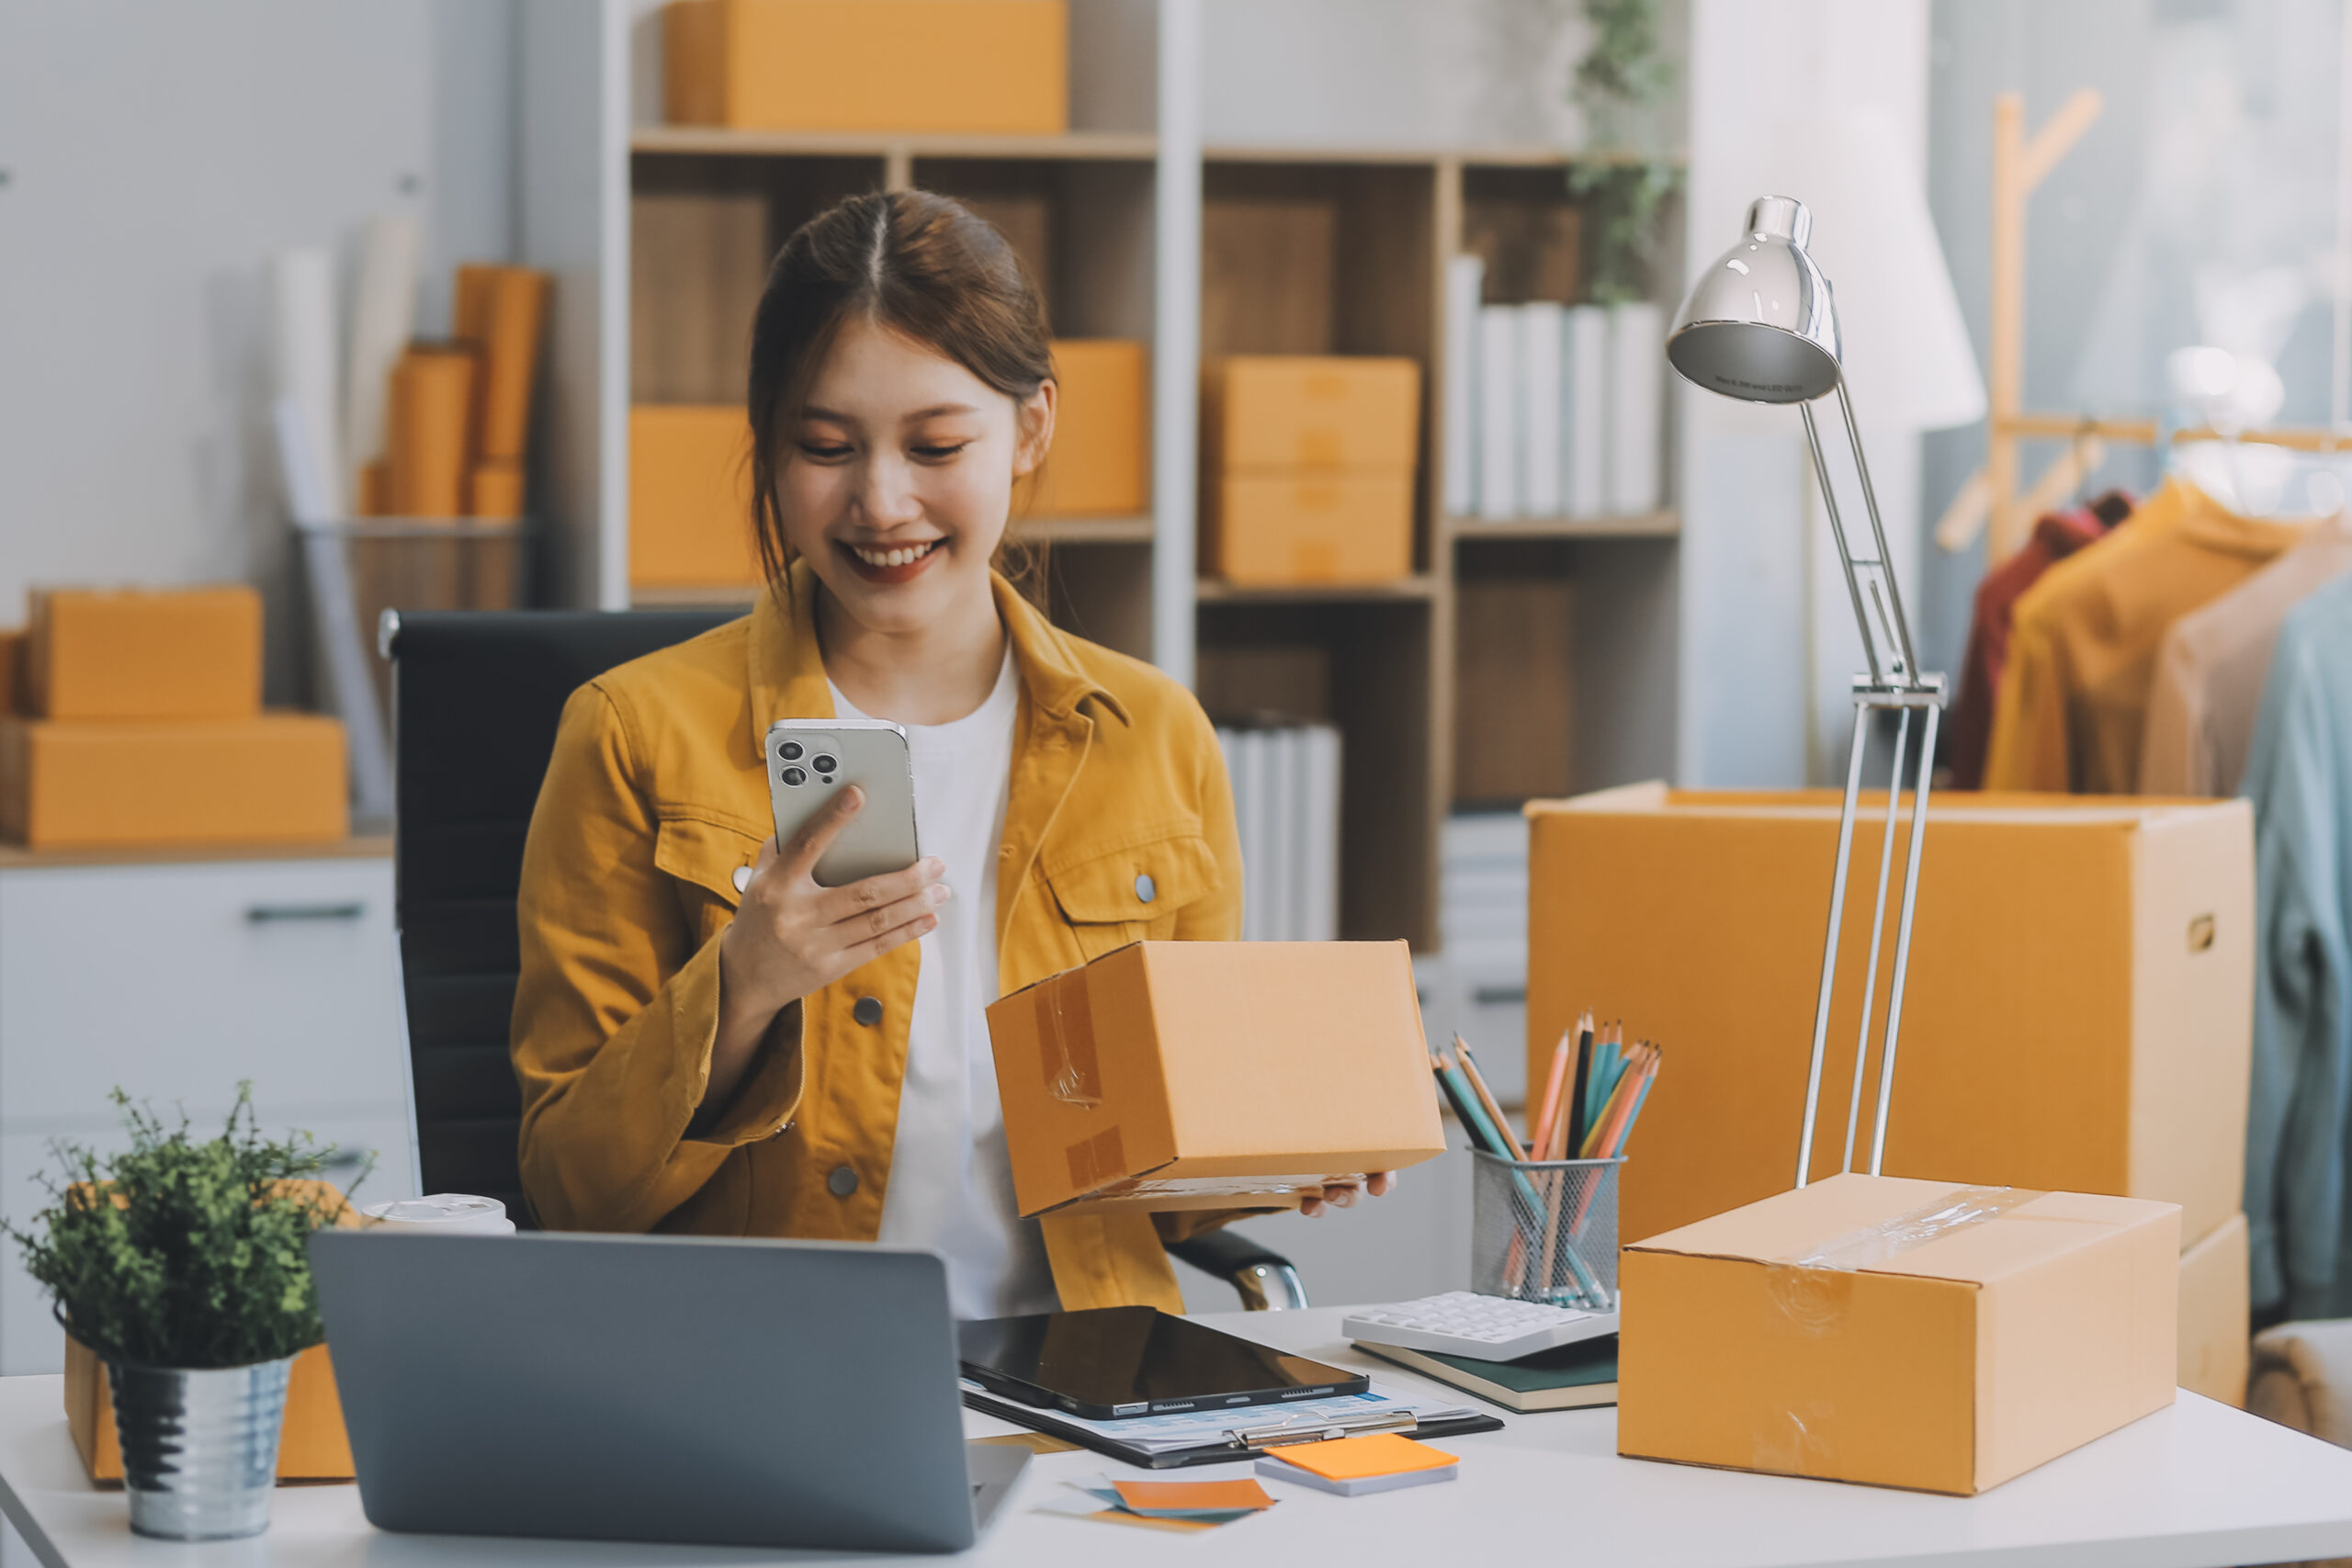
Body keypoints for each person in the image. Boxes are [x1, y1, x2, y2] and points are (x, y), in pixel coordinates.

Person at [511, 190, 1390, 1316]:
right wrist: (742, 988)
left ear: (1029, 430)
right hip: (775, 1376)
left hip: (1085, 1385)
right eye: (824, 447)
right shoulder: (634, 735)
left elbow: (1161, 1190)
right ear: (770, 448)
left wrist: (1277, 1154)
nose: (882, 503)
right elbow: (569, 1190)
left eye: (935, 446)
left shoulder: (1154, 736)